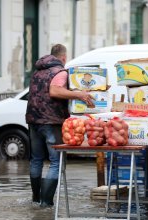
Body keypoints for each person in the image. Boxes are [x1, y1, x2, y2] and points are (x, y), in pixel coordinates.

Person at [25, 44, 94, 208]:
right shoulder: (60, 72)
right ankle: (46, 203)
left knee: (36, 159)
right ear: (63, 58)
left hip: (33, 120)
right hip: (51, 121)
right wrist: (79, 94)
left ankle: (36, 199)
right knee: (56, 162)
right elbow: (55, 91)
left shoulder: (38, 71)